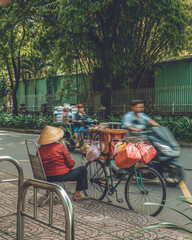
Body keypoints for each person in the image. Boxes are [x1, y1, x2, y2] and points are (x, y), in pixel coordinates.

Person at [37, 125, 88, 200]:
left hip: (45, 176)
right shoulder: (60, 147)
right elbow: (71, 164)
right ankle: (76, 194)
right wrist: (63, 145)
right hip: (59, 176)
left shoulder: (40, 149)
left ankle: (48, 191)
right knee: (83, 170)